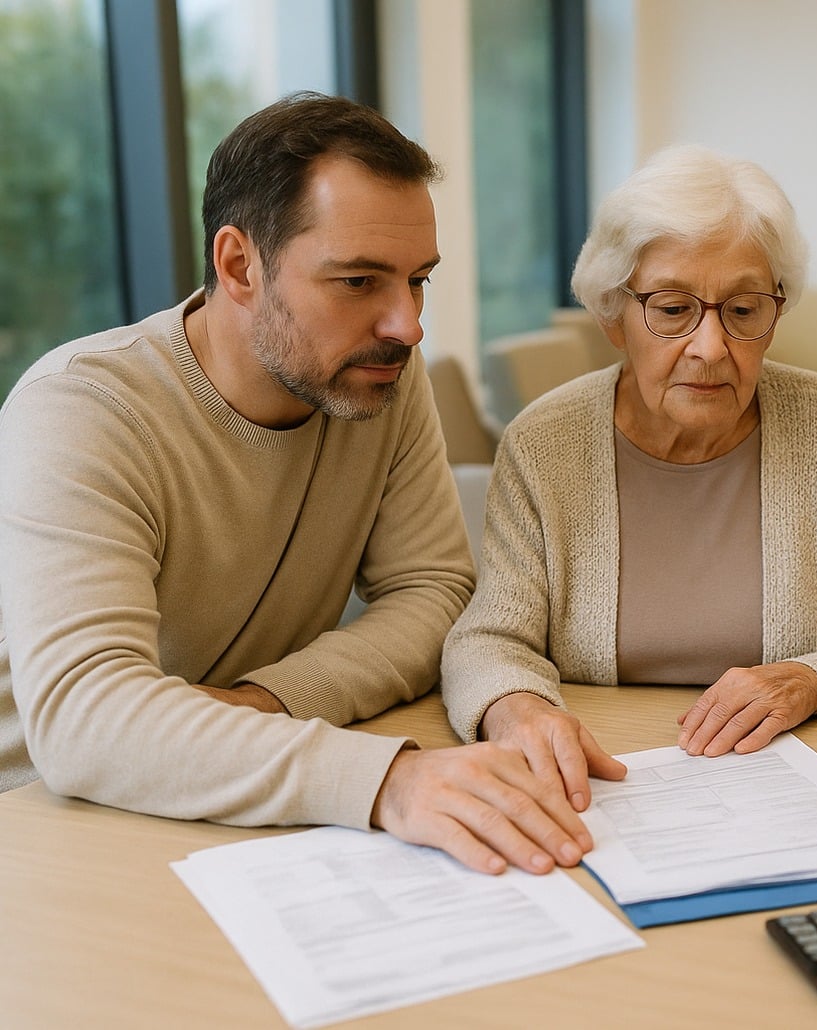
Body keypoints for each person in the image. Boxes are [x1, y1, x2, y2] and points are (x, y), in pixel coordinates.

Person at [0, 92, 594, 878]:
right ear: (240, 266)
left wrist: (268, 701)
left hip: (237, 801)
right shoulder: (81, 409)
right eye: (357, 281)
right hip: (48, 822)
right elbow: (85, 720)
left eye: (418, 280)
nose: (407, 324)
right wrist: (387, 780)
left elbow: (434, 591)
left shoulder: (373, 372)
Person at [441, 144, 817, 814]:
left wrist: (812, 679)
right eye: (671, 308)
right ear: (613, 315)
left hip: (802, 795)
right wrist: (516, 711)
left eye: (744, 311)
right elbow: (489, 638)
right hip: (604, 791)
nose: (712, 348)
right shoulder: (544, 445)